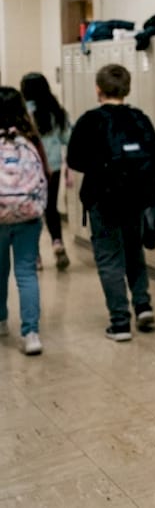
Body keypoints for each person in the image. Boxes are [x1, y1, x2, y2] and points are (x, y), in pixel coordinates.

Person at [67, 64, 155, 342]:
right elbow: (154, 157)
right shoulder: (139, 118)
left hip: (103, 199)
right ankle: (142, 305)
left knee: (109, 257)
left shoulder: (90, 121)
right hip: (135, 199)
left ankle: (120, 322)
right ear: (127, 88)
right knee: (134, 250)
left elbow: (75, 160)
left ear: (98, 89)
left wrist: (100, 167)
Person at [0, 87, 49, 356]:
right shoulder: (30, 140)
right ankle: (31, 333)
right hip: (28, 215)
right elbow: (46, 173)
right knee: (26, 273)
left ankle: (0, 321)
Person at [20, 73, 72, 272]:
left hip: (28, 168)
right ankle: (57, 242)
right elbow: (69, 138)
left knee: (31, 211)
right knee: (51, 208)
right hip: (53, 168)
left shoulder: (22, 113)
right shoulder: (57, 112)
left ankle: (36, 257)